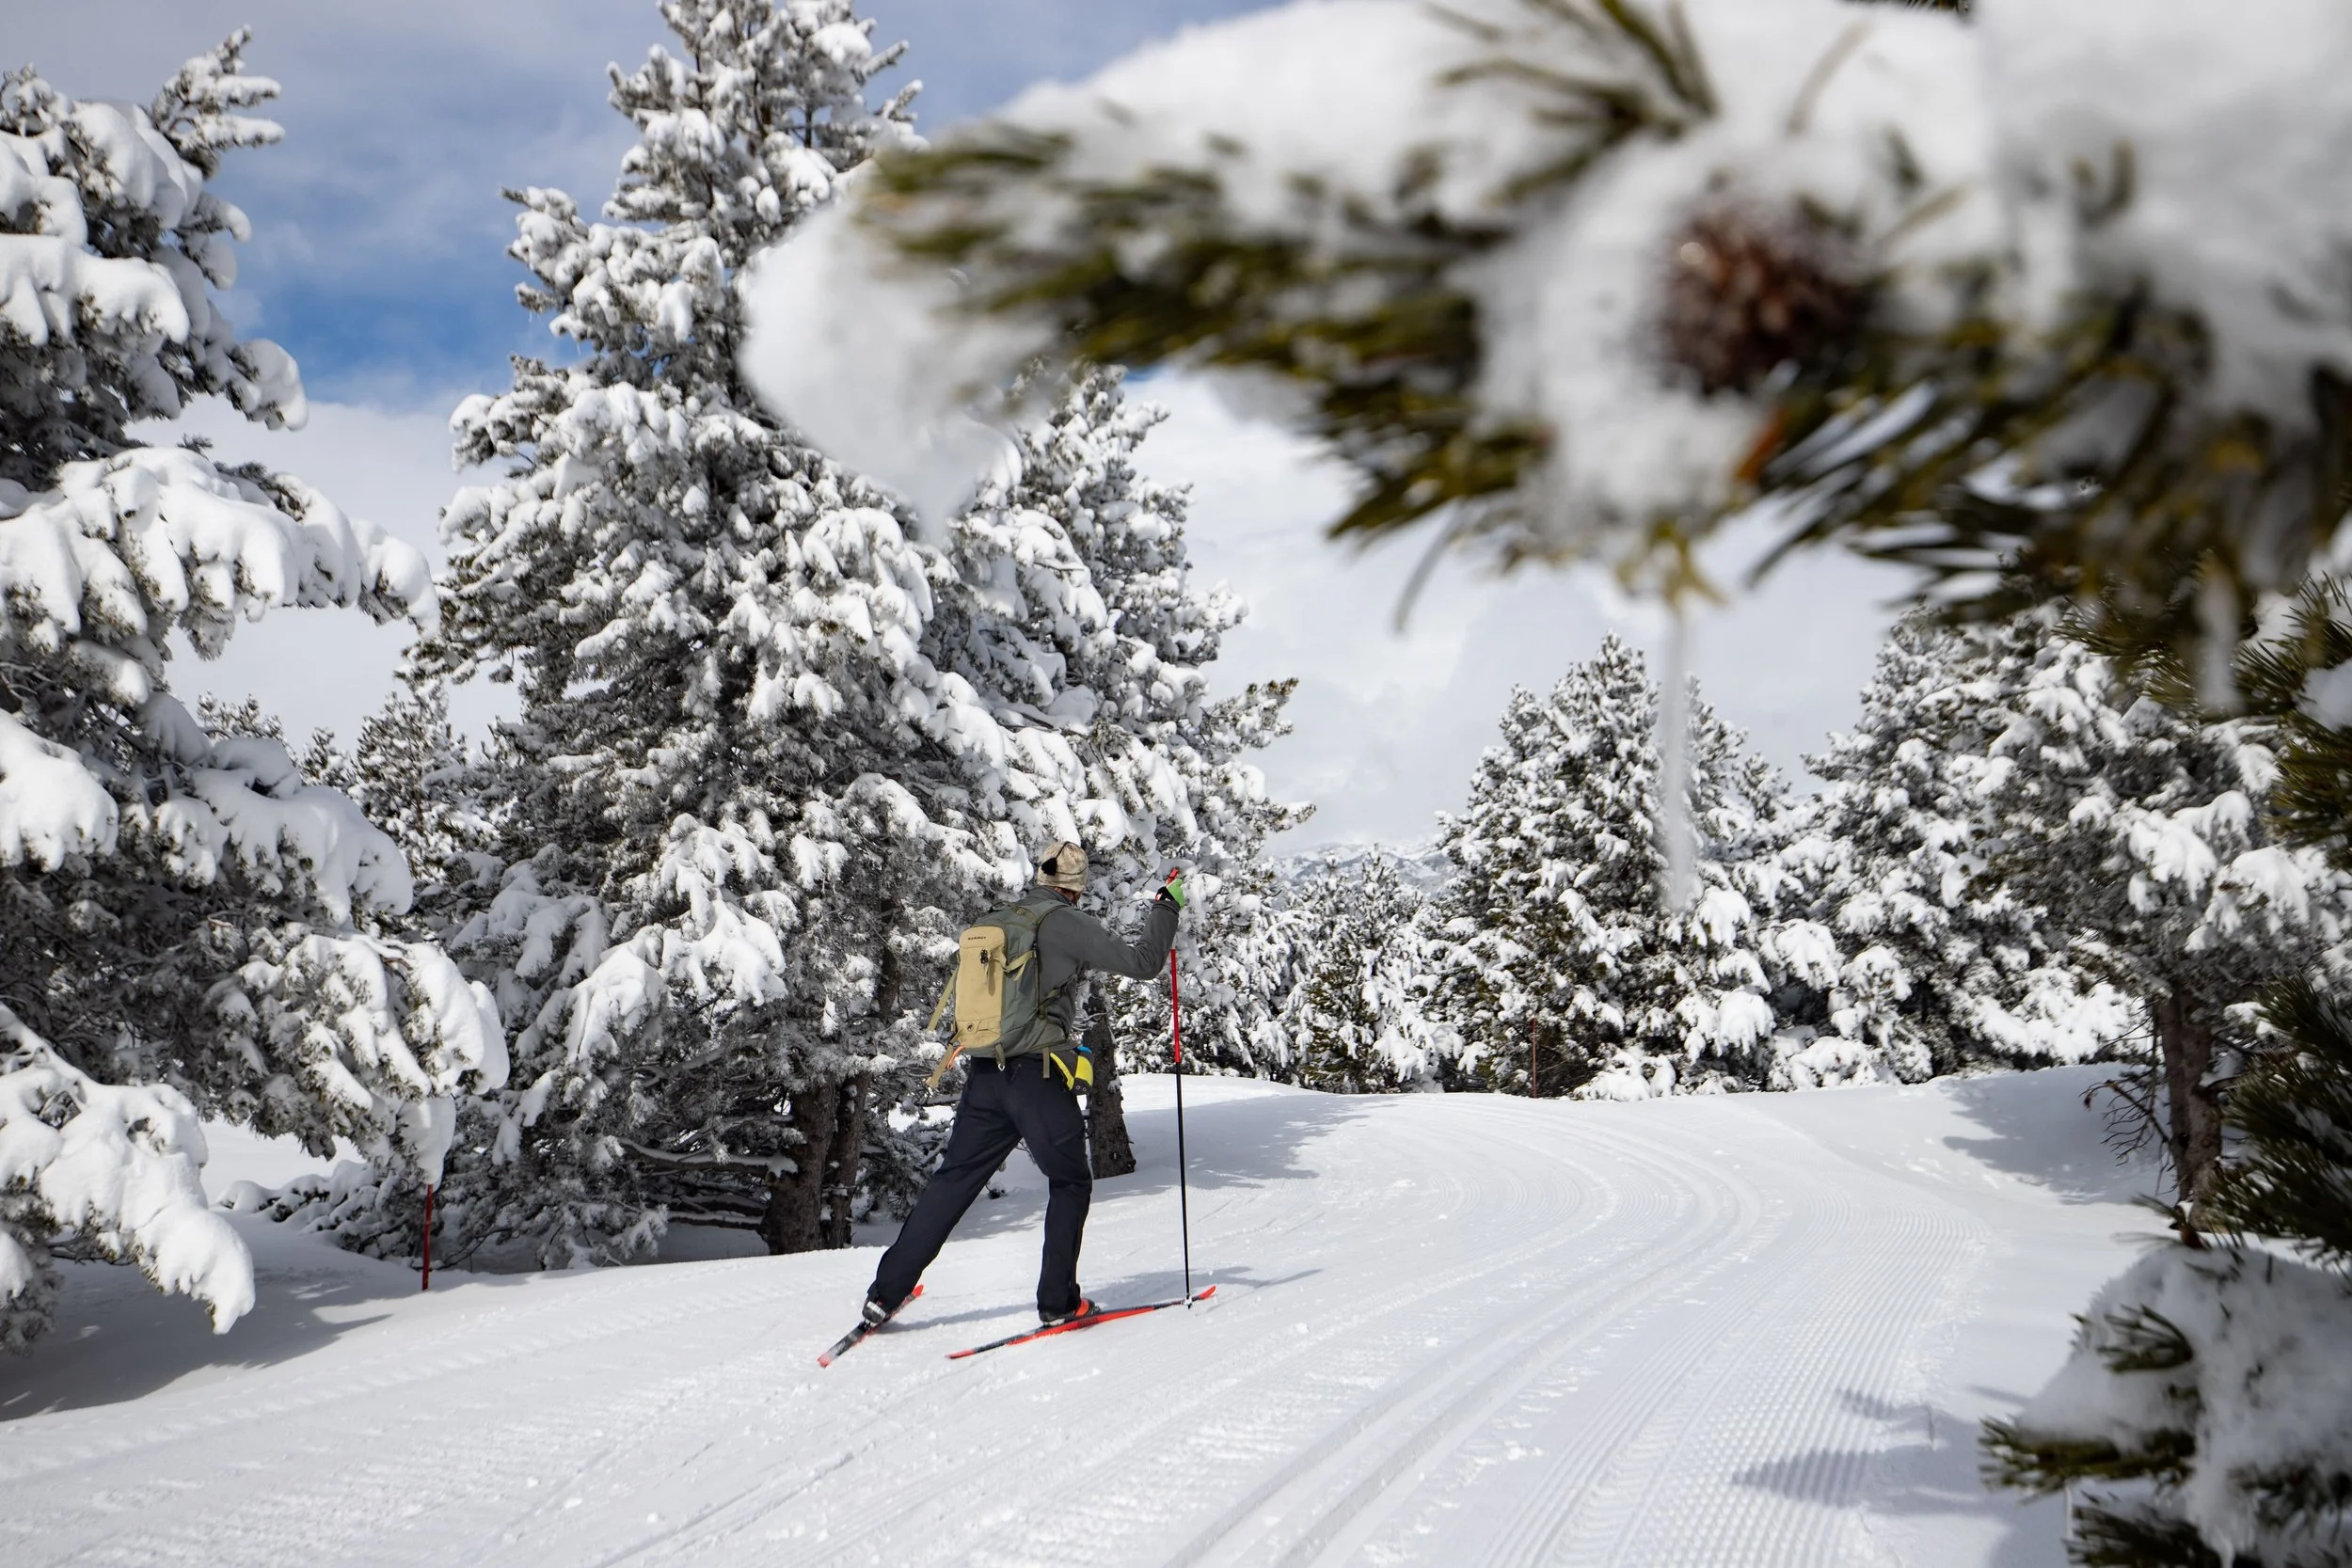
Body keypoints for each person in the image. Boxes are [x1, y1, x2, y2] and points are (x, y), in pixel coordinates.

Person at [865, 841, 1184, 1327]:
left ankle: (884, 1296)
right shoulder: (1065, 921)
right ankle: (1058, 1302)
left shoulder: (1001, 919)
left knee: (953, 1183)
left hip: (985, 1074)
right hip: (1035, 1077)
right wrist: (1165, 908)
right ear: (1075, 890)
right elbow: (1143, 963)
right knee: (1071, 1179)